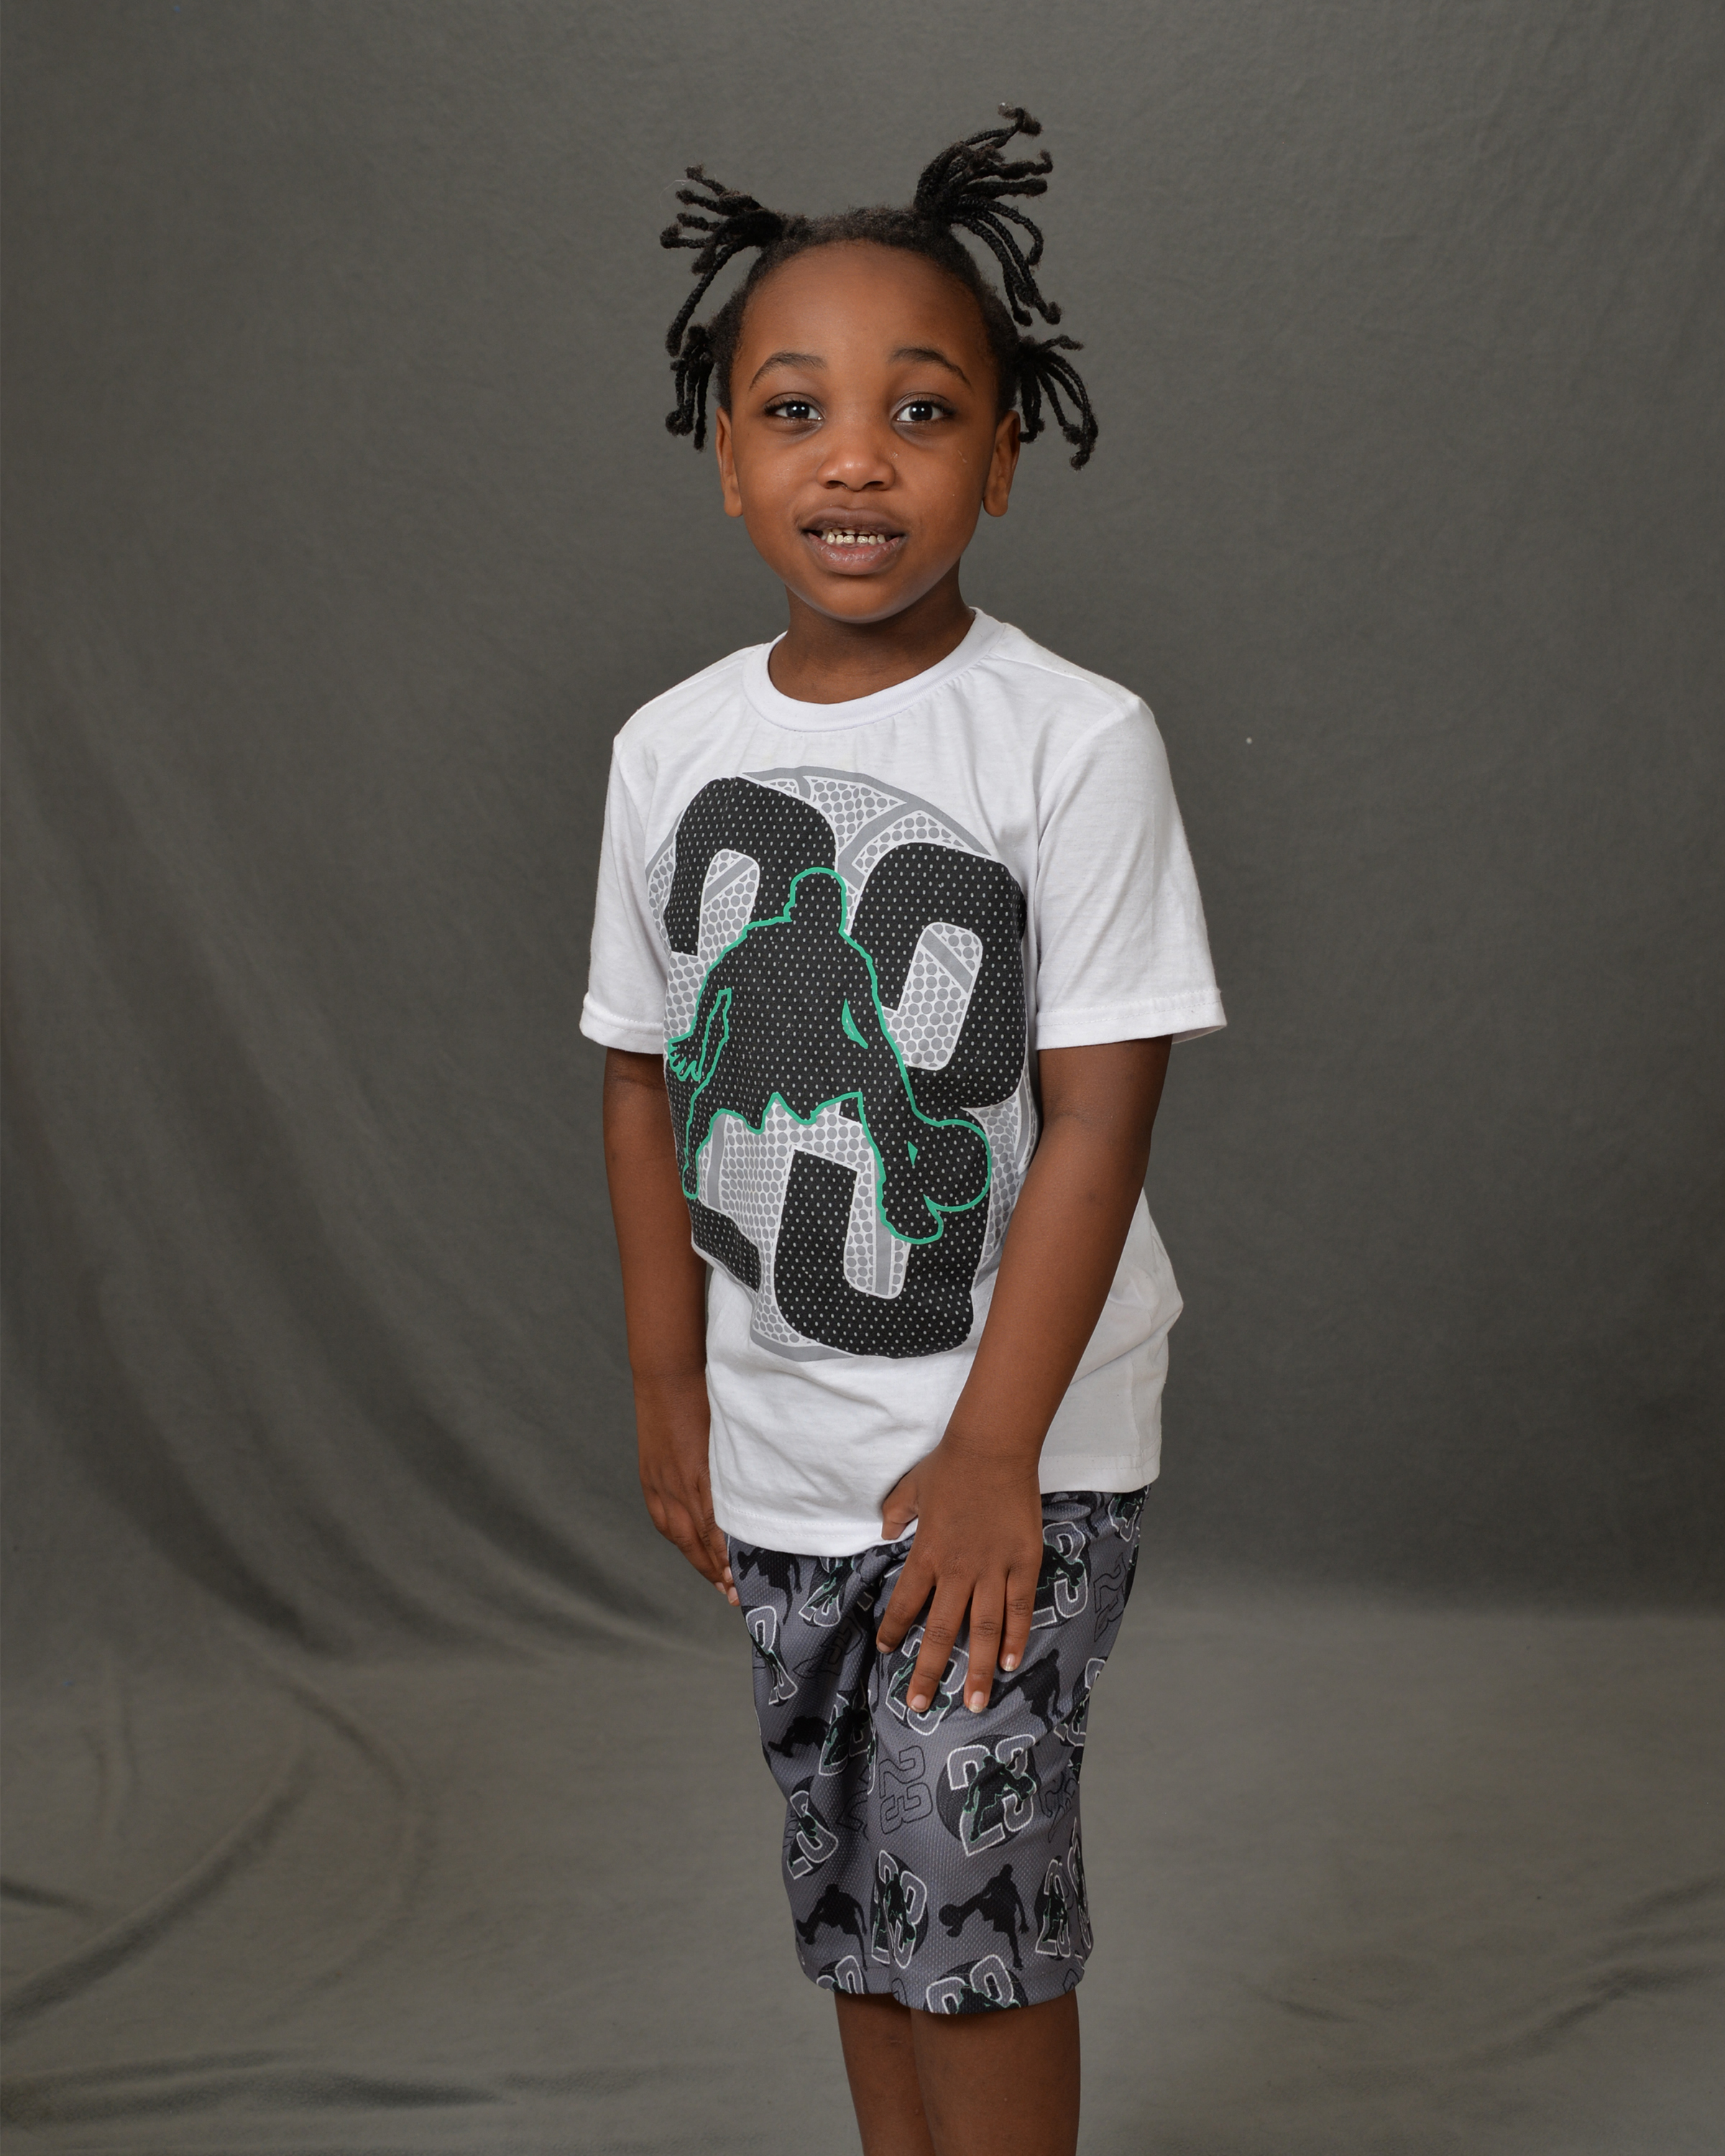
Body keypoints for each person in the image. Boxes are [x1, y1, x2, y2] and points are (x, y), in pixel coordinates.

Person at [582, 106, 1225, 2156]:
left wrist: (994, 1453)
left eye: (921, 410)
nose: (855, 458)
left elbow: (1100, 1116)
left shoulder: (1073, 741)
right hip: (787, 1440)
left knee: (974, 1906)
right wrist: (669, 1385)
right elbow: (641, 1072)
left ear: (1004, 454)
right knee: (860, 1900)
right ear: (727, 453)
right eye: (798, 410)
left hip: (1007, 1450)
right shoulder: (669, 748)